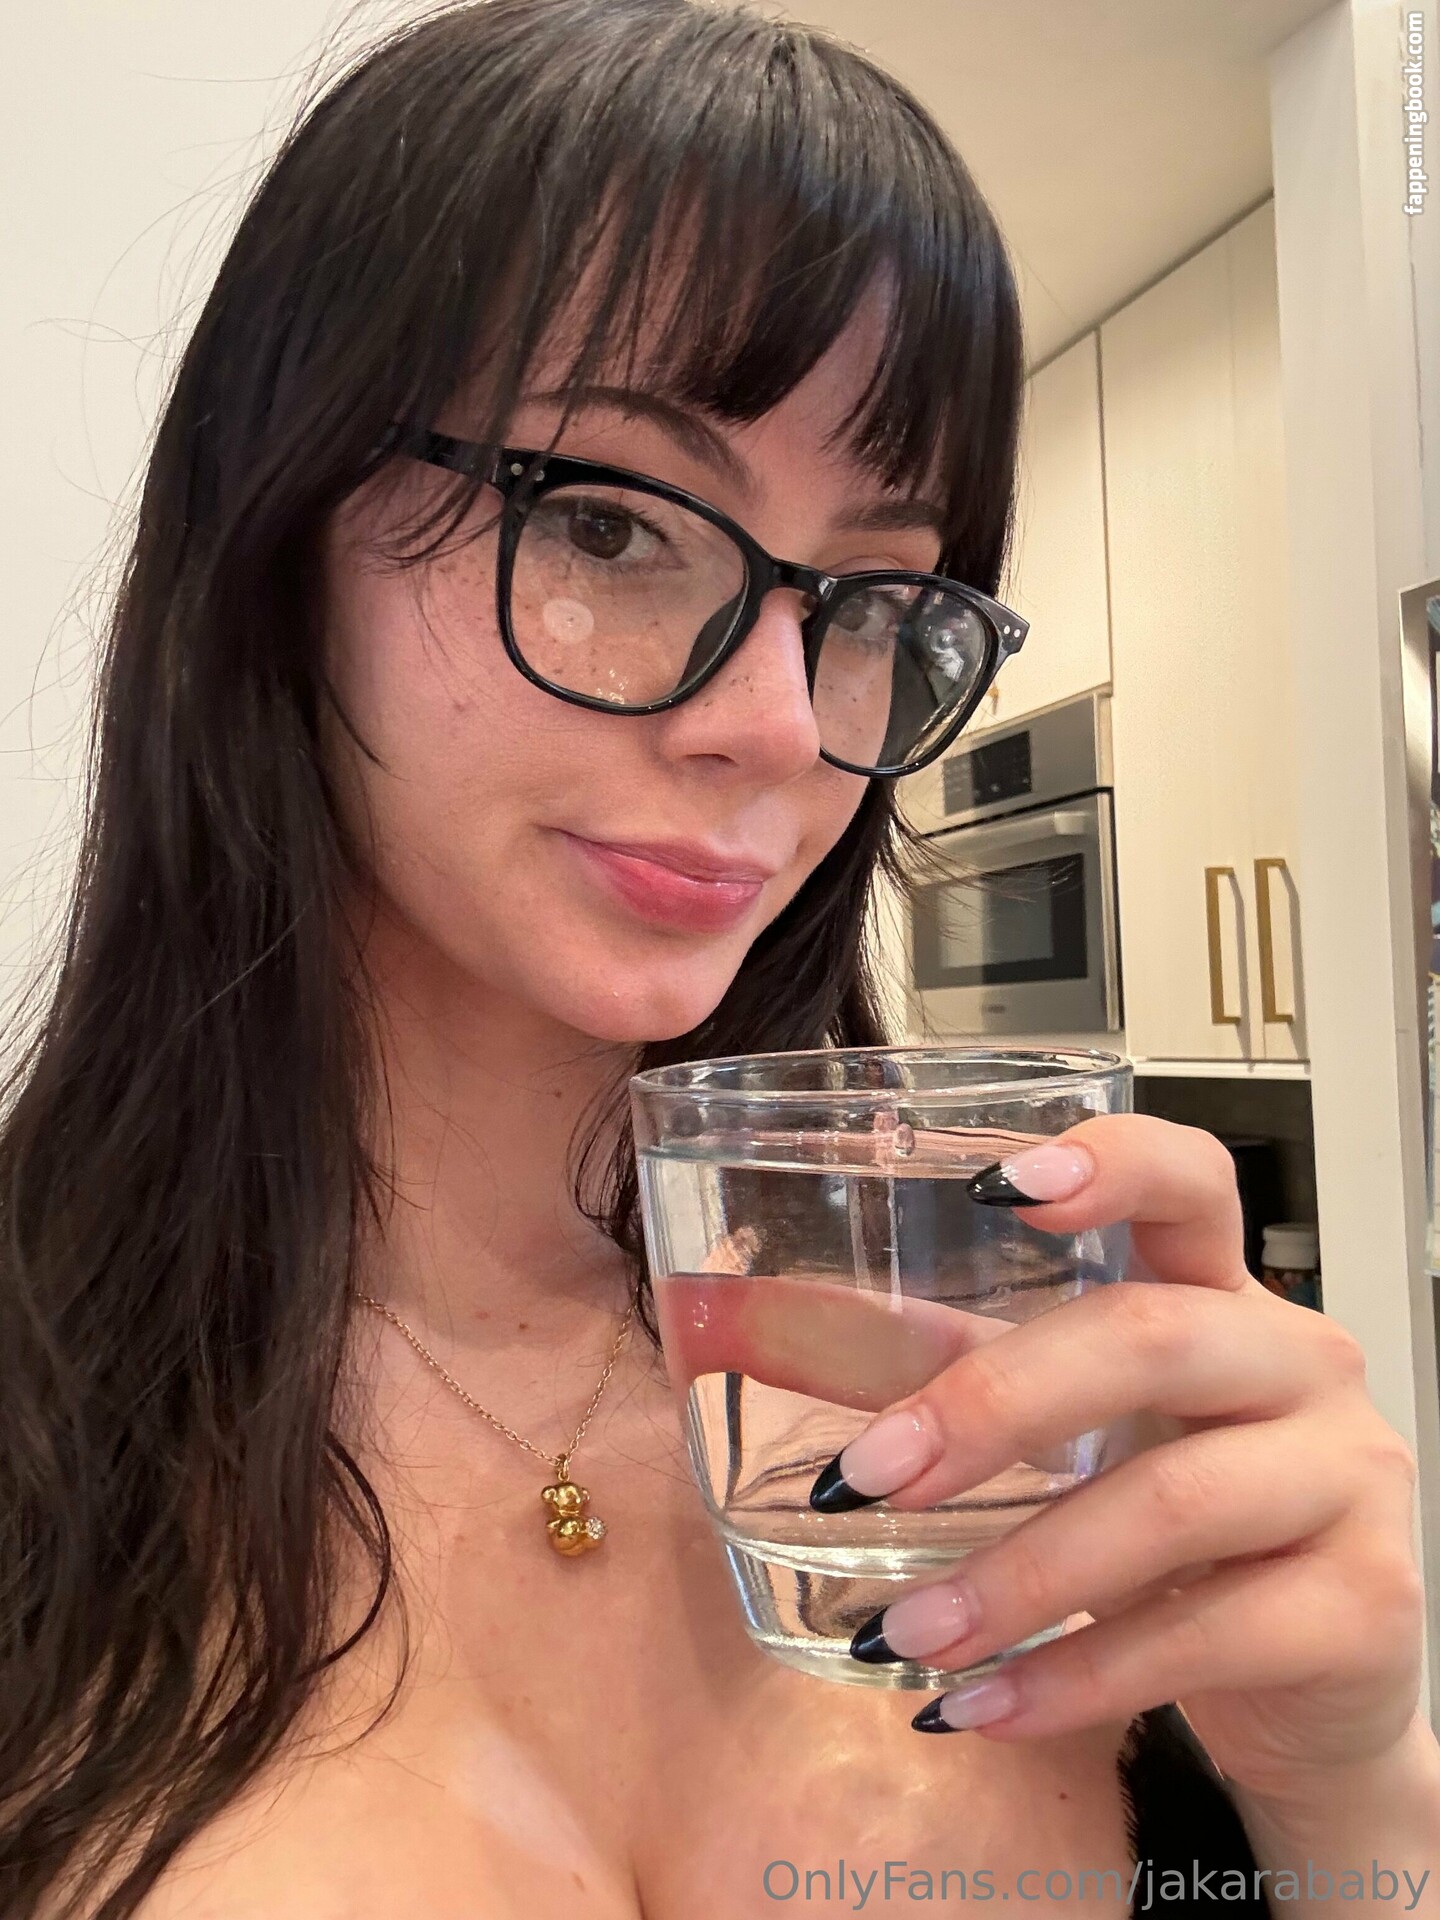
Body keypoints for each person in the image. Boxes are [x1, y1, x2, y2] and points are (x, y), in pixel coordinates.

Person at [2, 2, 1437, 1915]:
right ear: (273, 538)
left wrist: (1348, 1796)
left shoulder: (1000, 1397)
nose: (775, 727)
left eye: (877, 598)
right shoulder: (47, 1401)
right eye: (607, 524)